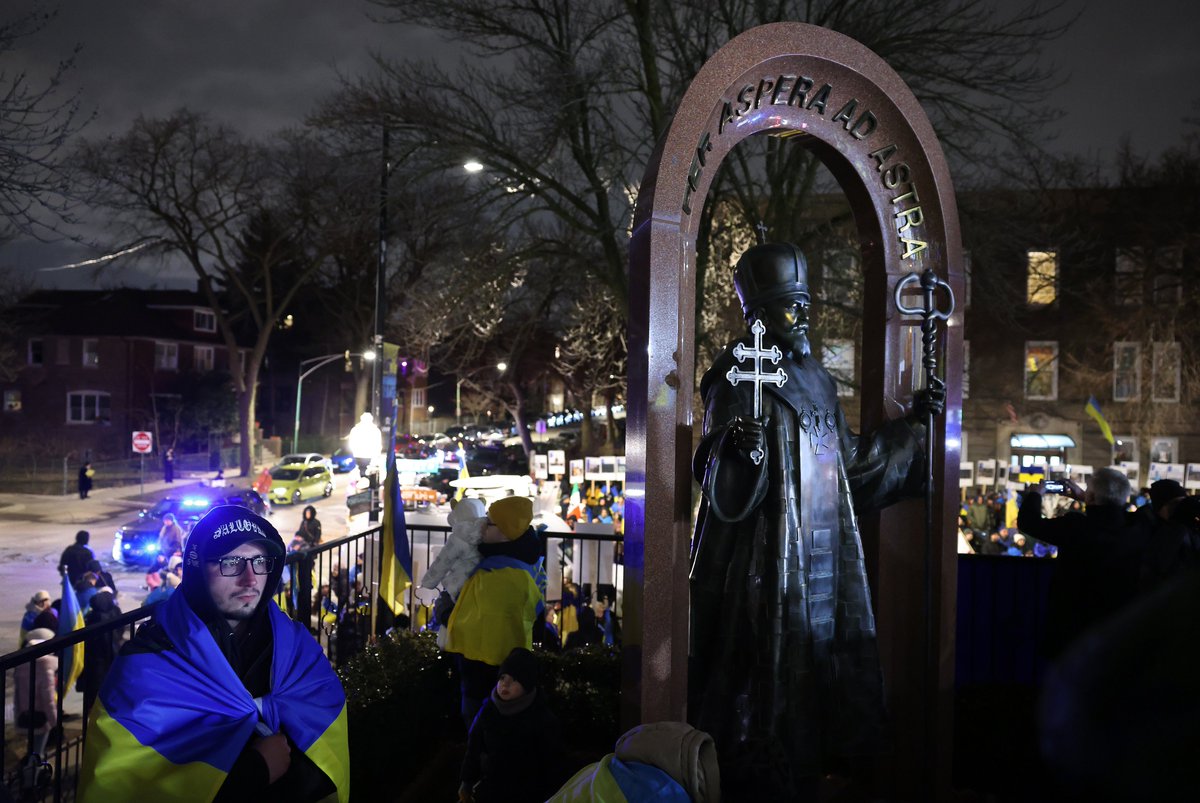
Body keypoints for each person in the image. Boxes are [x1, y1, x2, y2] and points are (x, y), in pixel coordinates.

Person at [688, 241, 943, 795]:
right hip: (770, 556)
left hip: (826, 550)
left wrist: (914, 431)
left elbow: (849, 465)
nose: (803, 314)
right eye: (790, 305)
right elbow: (718, 479)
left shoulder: (819, 380)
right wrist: (739, 451)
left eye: (806, 303)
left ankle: (819, 765)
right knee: (767, 676)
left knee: (824, 661)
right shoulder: (739, 377)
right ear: (758, 314)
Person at [78, 505, 349, 802]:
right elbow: (123, 788)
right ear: (197, 571)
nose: (250, 579)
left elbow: (327, 753)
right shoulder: (146, 666)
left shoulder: (297, 646)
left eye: (259, 561)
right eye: (231, 562)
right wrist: (254, 771)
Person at [1017, 467, 1151, 660]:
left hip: (1074, 627)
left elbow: (1029, 523)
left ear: (1093, 496)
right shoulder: (1137, 527)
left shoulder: (1076, 527)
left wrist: (1035, 494)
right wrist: (1088, 498)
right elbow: (1116, 514)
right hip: (1120, 624)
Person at [443, 496, 545, 727]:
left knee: (481, 723)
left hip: (484, 666)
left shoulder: (500, 574)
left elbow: (475, 620)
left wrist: (445, 613)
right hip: (506, 664)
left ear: (505, 533)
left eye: (488, 522)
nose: (481, 526)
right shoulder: (518, 564)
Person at [459, 647, 562, 803]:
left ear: (527, 684)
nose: (505, 685)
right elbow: (474, 748)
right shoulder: (488, 711)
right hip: (492, 789)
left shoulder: (542, 718)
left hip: (528, 793)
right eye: (502, 678)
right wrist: (467, 781)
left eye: (514, 680)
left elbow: (552, 764)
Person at [13, 628, 59, 757]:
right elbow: (48, 698)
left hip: (25, 713)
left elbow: (17, 695)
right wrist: (55, 721)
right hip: (41, 716)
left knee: (32, 747)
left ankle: (31, 764)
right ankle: (34, 769)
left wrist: (17, 715)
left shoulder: (22, 664)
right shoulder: (46, 666)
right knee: (38, 752)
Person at [80, 590, 122, 719]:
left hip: (94, 659)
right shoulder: (112, 613)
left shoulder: (93, 616)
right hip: (106, 658)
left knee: (94, 687)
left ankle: (92, 712)